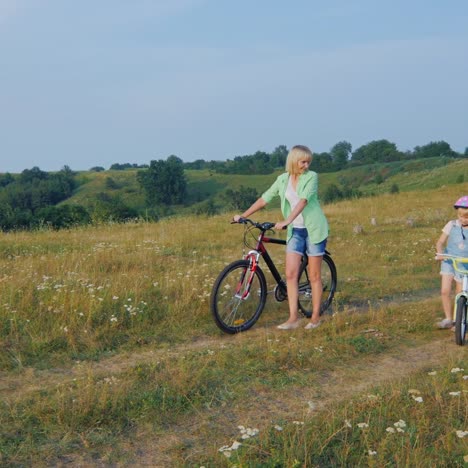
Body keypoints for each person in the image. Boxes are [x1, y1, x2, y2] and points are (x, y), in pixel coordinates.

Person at [233, 145, 329, 330]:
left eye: (309, 161)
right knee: (291, 274)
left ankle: (315, 317)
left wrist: (286, 221)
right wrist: (243, 215)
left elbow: (303, 201)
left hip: (314, 229)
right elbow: (264, 199)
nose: (306, 165)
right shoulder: (283, 179)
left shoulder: (312, 177)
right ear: (293, 161)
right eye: (303, 161)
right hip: (296, 231)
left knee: (314, 276)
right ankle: (293, 317)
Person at [435, 195, 468, 328]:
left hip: (464, 263)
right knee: (445, 290)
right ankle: (448, 318)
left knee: (460, 294)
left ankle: (458, 320)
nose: (463, 219)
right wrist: (440, 253)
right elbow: (440, 241)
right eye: (460, 215)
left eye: (466, 216)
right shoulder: (452, 224)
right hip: (449, 261)